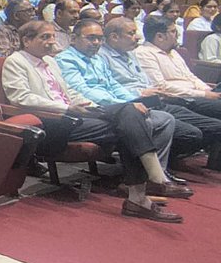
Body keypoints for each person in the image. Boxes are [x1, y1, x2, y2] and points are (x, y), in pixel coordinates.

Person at [3, 20, 186, 222]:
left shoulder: (50, 62)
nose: (51, 42)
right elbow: (20, 97)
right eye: (45, 37)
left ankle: (143, 192)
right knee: (129, 120)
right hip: (53, 122)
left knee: (130, 114)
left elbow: (67, 91)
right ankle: (147, 188)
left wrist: (86, 103)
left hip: (75, 115)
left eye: (53, 36)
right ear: (27, 40)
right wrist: (66, 108)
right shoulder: (16, 61)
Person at [57, 18, 211, 166]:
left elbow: (114, 85)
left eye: (99, 38)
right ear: (73, 38)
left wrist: (133, 101)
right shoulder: (66, 59)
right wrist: (125, 105)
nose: (96, 43)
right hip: (97, 108)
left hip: (121, 105)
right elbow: (83, 90)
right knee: (155, 122)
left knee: (166, 119)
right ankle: (146, 176)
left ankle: (156, 172)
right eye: (91, 38)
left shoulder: (97, 59)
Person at [135, 15, 221, 110]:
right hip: (180, 99)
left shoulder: (173, 52)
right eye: (173, 31)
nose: (178, 35)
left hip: (197, 94)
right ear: (160, 36)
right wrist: (204, 94)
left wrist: (207, 90)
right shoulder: (144, 53)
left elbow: (190, 77)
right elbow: (160, 86)